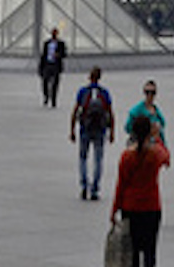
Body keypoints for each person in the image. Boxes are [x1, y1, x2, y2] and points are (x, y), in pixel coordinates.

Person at [111, 112, 170, 267]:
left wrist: (114, 209)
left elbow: (121, 184)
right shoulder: (155, 154)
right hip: (152, 206)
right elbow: (166, 157)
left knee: (135, 249)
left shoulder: (126, 156)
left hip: (131, 206)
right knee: (151, 247)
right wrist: (157, 136)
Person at [70, 66, 115, 200]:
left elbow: (75, 111)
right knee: (98, 159)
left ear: (89, 77)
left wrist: (72, 130)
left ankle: (84, 185)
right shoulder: (105, 93)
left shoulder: (83, 91)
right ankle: (95, 189)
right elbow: (111, 113)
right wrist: (112, 131)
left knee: (83, 158)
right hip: (100, 130)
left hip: (85, 128)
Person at [125, 80, 167, 145]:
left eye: (152, 92)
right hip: (143, 145)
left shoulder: (156, 110)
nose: (150, 95)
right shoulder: (136, 110)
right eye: (147, 92)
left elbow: (162, 125)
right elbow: (128, 128)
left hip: (157, 144)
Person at [39, 27, 67, 107]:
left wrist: (59, 55)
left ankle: (54, 100)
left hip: (56, 65)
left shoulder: (61, 43)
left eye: (55, 33)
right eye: (53, 33)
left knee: (55, 84)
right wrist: (41, 66)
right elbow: (43, 55)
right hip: (47, 64)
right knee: (45, 82)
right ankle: (46, 95)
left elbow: (64, 54)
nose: (54, 34)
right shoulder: (46, 43)